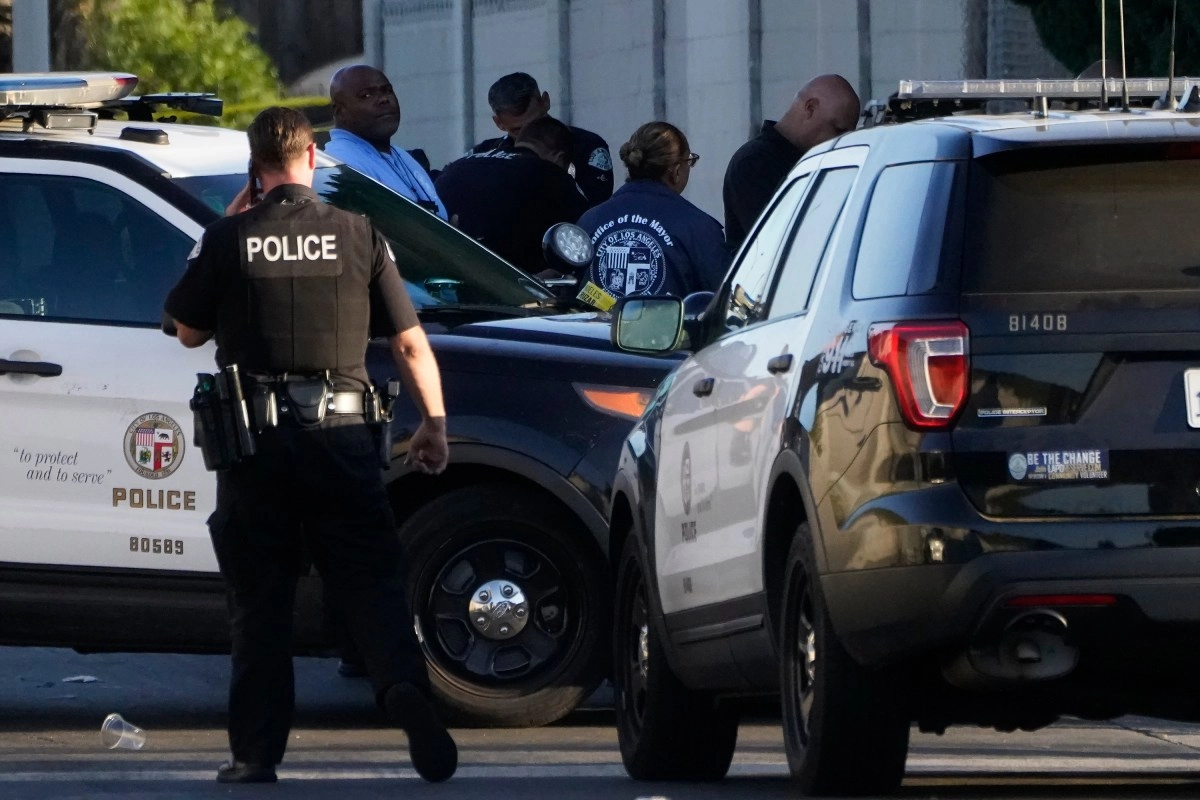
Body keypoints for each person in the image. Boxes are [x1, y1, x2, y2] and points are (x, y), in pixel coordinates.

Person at [162, 107, 457, 785]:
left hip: (255, 448)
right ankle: (404, 690)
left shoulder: (231, 236)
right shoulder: (359, 233)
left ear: (255, 166)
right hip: (344, 441)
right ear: (313, 161)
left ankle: (255, 755)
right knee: (371, 585)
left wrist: (227, 223)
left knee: (260, 605)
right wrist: (433, 424)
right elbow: (408, 341)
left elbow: (186, 332)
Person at [576, 121, 730, 301]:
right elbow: (721, 301)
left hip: (597, 329)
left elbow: (574, 294)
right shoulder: (699, 228)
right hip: (666, 329)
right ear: (677, 170)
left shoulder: (589, 221)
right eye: (690, 161)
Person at [435, 116, 589, 273]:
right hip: (507, 285)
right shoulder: (550, 174)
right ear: (559, 158)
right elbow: (586, 229)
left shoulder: (457, 166)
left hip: (436, 272)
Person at [722, 74, 860, 248]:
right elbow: (782, 242)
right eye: (838, 130)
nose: (841, 141)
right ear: (810, 108)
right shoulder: (754, 163)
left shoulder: (813, 161)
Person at [468, 72, 613, 208]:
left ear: (545, 102)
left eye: (536, 123)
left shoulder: (586, 146)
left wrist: (555, 175)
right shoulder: (484, 154)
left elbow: (597, 209)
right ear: (498, 123)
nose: (529, 135)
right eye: (518, 130)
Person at [324, 64, 449, 220]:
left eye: (387, 90)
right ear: (339, 111)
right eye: (366, 95)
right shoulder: (342, 165)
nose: (384, 99)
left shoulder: (401, 155)